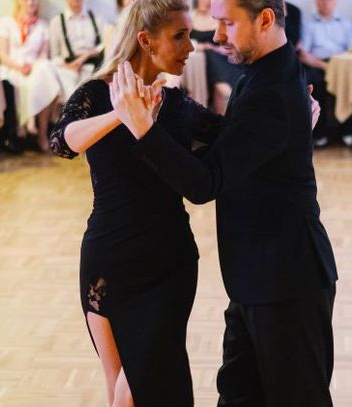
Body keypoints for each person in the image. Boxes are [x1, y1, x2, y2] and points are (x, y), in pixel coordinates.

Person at [112, 0, 338, 405]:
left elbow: (205, 183)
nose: (216, 36)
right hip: (258, 276)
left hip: (286, 281)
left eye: (227, 24)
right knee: (236, 395)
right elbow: (229, 147)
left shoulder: (271, 90)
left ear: (265, 19)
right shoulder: (269, 72)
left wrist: (143, 128)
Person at [49, 0, 231, 405]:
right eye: (179, 36)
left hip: (168, 265)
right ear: (146, 41)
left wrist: (289, 114)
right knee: (117, 388)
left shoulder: (176, 105)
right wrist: (123, 113)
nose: (190, 46)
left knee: (137, 390)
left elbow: (231, 136)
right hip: (107, 264)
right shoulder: (97, 93)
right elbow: (62, 142)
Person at [0, 0, 61, 153]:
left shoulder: (43, 25)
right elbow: (3, 55)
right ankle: (26, 124)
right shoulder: (6, 22)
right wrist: (19, 67)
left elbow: (44, 55)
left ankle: (42, 133)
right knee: (20, 80)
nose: (31, 2)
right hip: (12, 68)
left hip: (34, 68)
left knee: (46, 71)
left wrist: (32, 67)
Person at [299, 0, 352, 146]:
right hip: (318, 64)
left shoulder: (346, 24)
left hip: (343, 65)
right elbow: (303, 54)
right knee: (314, 83)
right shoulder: (309, 24)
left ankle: (349, 132)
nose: (325, 2)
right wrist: (324, 66)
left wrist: (337, 66)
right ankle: (319, 134)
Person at [190, 0, 242, 114]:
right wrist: (204, 46)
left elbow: (231, 39)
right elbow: (184, 42)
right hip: (201, 63)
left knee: (226, 92)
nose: (204, 2)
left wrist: (222, 48)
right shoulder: (189, 17)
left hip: (223, 59)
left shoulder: (219, 17)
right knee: (223, 91)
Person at [49, 0, 106, 100]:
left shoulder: (97, 18)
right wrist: (67, 66)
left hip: (94, 67)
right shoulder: (56, 22)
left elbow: (105, 44)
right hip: (68, 71)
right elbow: (54, 56)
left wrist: (86, 56)